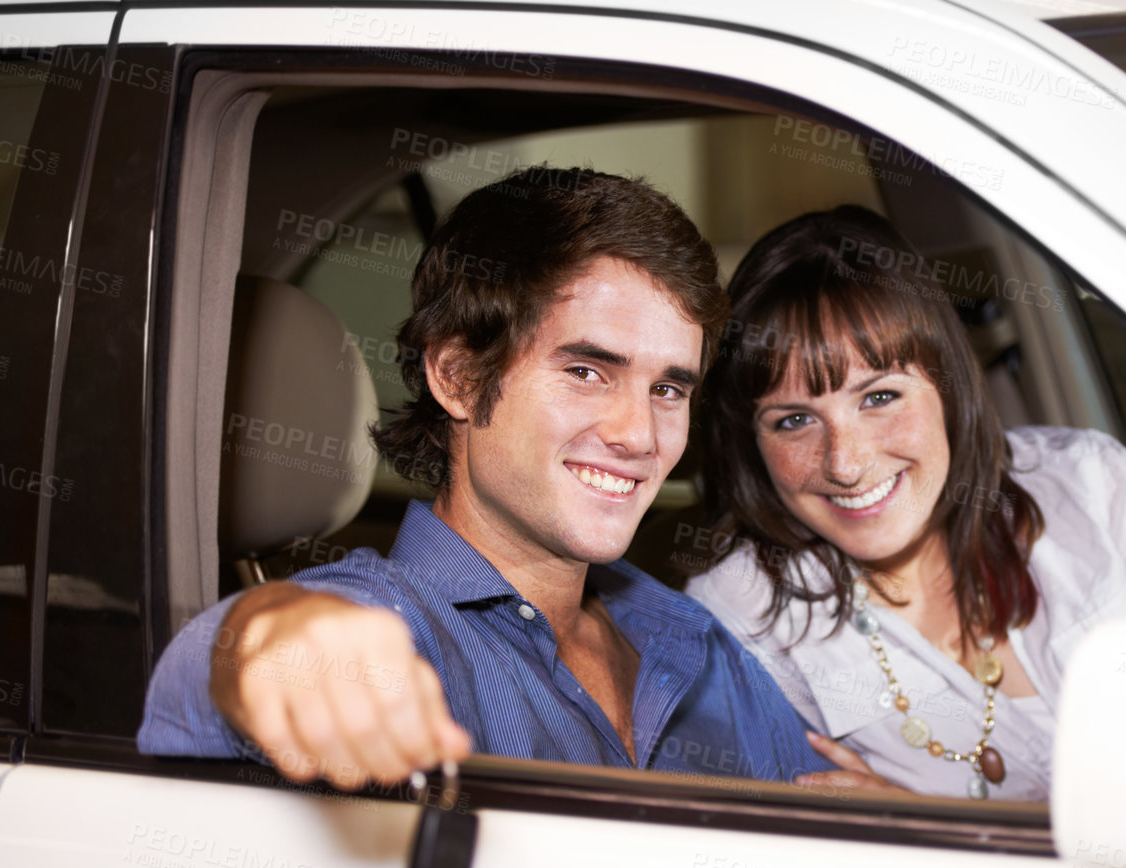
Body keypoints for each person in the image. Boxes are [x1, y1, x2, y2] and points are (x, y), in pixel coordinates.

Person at [138, 166, 871, 791]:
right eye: (586, 372)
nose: (639, 435)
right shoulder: (390, 632)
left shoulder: (696, 641)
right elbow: (234, 669)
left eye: (669, 390)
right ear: (458, 377)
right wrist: (265, 638)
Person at [685, 206, 1126, 801]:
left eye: (880, 396)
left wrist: (920, 820)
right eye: (793, 420)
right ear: (752, 442)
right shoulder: (744, 620)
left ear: (949, 385)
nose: (845, 462)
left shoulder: (1093, 486)